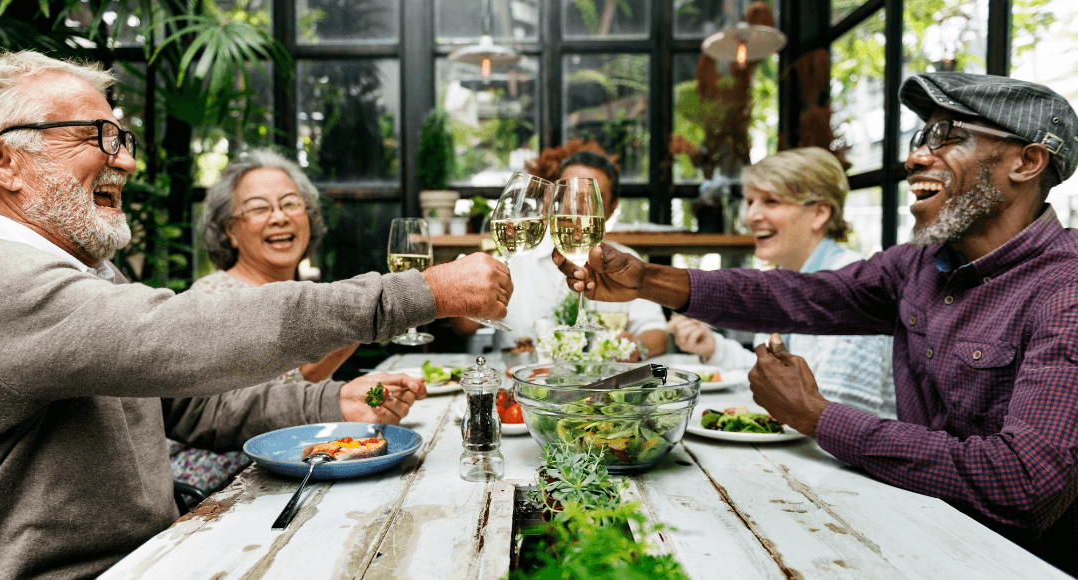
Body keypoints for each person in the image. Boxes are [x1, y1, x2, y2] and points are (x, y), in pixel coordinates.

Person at [0, 50, 510, 580]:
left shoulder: (84, 273)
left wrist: (331, 404)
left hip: (158, 553)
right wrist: (418, 293)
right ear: (2, 160)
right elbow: (185, 335)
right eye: (94, 137)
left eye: (121, 139)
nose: (123, 162)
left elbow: (193, 405)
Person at [555, 72, 1078, 573]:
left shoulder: (1065, 290)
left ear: (1027, 161)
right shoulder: (918, 265)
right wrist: (646, 280)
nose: (917, 156)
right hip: (912, 527)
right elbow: (796, 293)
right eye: (922, 135)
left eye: (948, 136)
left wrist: (815, 415)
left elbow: (1023, 481)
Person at [167, 149, 368, 493]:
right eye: (260, 208)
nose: (279, 218)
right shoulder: (217, 297)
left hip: (286, 471)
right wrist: (365, 317)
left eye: (290, 203)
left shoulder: (305, 293)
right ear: (230, 231)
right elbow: (272, 397)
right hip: (214, 489)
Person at [668, 147, 895, 418]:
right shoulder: (786, 278)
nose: (751, 217)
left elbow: (838, 416)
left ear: (820, 213)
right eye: (750, 202)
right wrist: (713, 347)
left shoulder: (850, 287)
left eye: (771, 201)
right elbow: (773, 380)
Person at [452, 151, 668, 359]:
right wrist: (466, 298)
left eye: (591, 197)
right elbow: (463, 326)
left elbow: (658, 334)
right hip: (520, 384)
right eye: (567, 195)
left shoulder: (625, 263)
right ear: (549, 201)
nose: (576, 207)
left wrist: (635, 347)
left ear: (611, 208)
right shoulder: (517, 252)